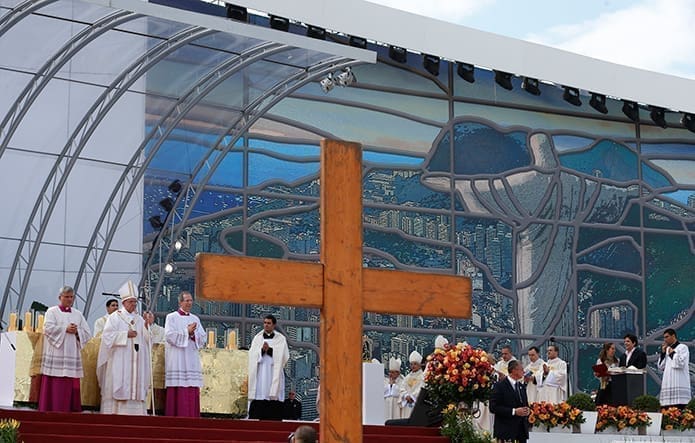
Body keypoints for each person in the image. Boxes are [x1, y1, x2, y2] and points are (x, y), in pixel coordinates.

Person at [96, 281, 152, 415]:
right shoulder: (115, 317)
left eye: (135, 302)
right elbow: (107, 337)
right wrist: (125, 335)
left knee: (135, 385)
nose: (134, 304)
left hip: (136, 360)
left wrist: (146, 325)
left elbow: (147, 339)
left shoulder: (139, 319)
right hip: (120, 358)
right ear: (124, 302)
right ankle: (117, 412)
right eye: (131, 302)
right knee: (120, 382)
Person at [39, 285, 92, 412]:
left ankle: (69, 408)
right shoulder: (52, 311)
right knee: (55, 382)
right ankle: (50, 407)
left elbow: (87, 333)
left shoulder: (78, 314)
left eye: (71, 297)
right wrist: (65, 329)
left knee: (69, 381)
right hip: (56, 352)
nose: (69, 299)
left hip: (71, 353)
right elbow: (47, 328)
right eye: (66, 297)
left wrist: (77, 331)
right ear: (60, 297)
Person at [164, 291, 206, 417]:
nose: (189, 303)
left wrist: (193, 334)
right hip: (177, 358)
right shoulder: (171, 317)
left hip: (191, 357)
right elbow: (169, 336)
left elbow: (203, 338)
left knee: (191, 386)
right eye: (187, 300)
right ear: (180, 302)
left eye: (191, 300)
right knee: (178, 386)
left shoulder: (195, 319)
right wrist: (186, 331)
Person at [248, 314, 290, 419]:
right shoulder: (257, 338)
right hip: (261, 372)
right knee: (261, 395)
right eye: (265, 323)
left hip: (273, 371)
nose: (266, 325)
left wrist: (270, 350)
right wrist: (261, 351)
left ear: (274, 325)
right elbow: (252, 354)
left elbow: (285, 356)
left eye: (269, 323)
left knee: (273, 396)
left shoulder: (281, 339)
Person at [489, 360, 530, 443]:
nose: (524, 371)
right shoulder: (499, 386)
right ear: (514, 370)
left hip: (521, 432)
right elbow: (493, 407)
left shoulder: (521, 386)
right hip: (505, 431)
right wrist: (514, 411)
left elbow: (524, 404)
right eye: (521, 369)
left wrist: (527, 410)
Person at [658, 328, 691, 408]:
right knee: (667, 408)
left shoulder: (683, 347)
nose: (665, 340)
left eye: (667, 337)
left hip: (679, 381)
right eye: (664, 338)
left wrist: (672, 353)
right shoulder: (667, 349)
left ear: (673, 336)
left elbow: (681, 363)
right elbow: (661, 366)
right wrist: (663, 353)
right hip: (668, 382)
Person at [399, 350, 424, 418]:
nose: (413, 366)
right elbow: (402, 388)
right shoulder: (408, 376)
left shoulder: (422, 376)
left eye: (415, 364)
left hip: (416, 404)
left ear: (420, 364)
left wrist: (412, 397)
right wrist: (406, 396)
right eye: (411, 364)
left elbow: (421, 388)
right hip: (407, 403)